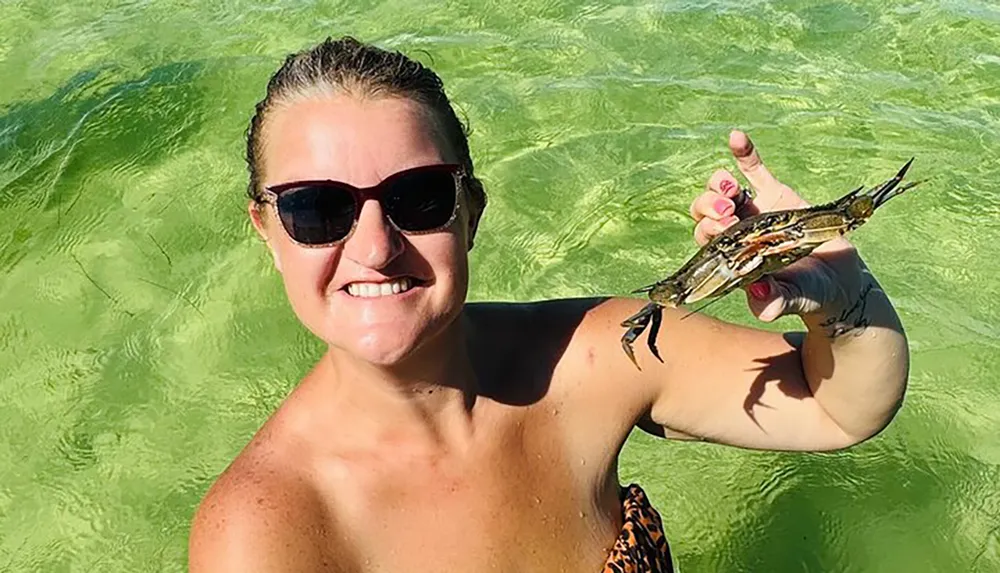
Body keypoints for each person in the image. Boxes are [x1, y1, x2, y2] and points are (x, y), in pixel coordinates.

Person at [188, 36, 909, 573]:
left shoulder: (588, 356)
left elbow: (838, 407)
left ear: (470, 211)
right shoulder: (265, 532)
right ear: (268, 231)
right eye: (318, 209)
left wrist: (838, 293)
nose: (375, 246)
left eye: (419, 197)